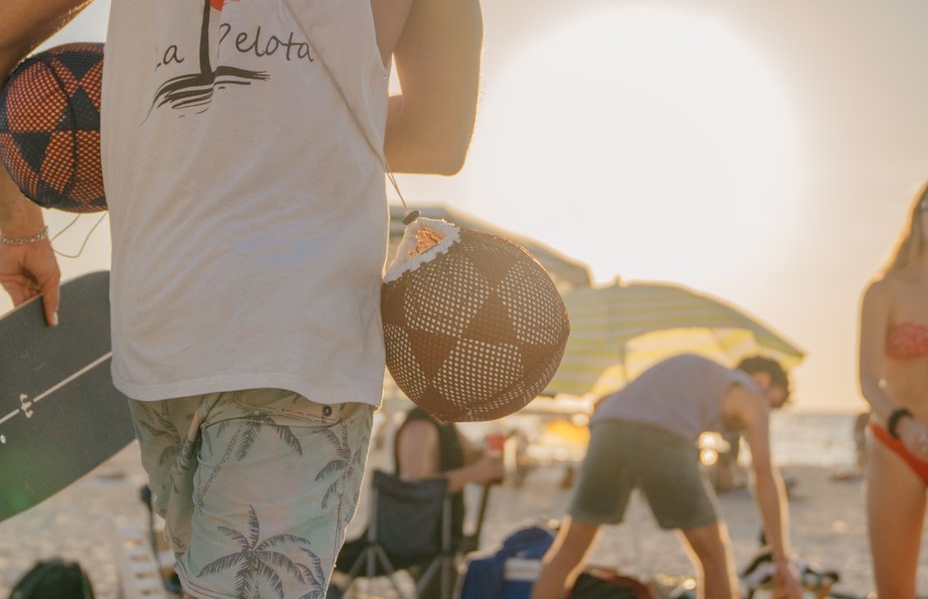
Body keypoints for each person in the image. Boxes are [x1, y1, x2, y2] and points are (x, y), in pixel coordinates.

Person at [0, 0, 482, 596]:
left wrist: (19, 231)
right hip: (300, 336)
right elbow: (440, 135)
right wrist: (292, 109)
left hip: (159, 341)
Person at [530, 354, 800, 599]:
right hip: (663, 437)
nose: (766, 414)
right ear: (762, 381)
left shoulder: (699, 374)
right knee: (713, 557)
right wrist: (781, 558)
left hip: (608, 429)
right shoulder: (750, 394)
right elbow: (764, 475)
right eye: (772, 404)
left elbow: (601, 402)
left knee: (570, 548)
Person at [857, 181, 928, 598]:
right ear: (918, 217)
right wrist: (905, 424)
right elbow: (868, 379)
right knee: (894, 590)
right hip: (896, 444)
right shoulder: (884, 291)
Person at [394, 407, 505, 597]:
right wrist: (475, 473)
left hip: (447, 536)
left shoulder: (445, 421)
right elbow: (414, 487)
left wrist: (491, 455)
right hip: (423, 538)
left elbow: (470, 457)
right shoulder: (420, 426)